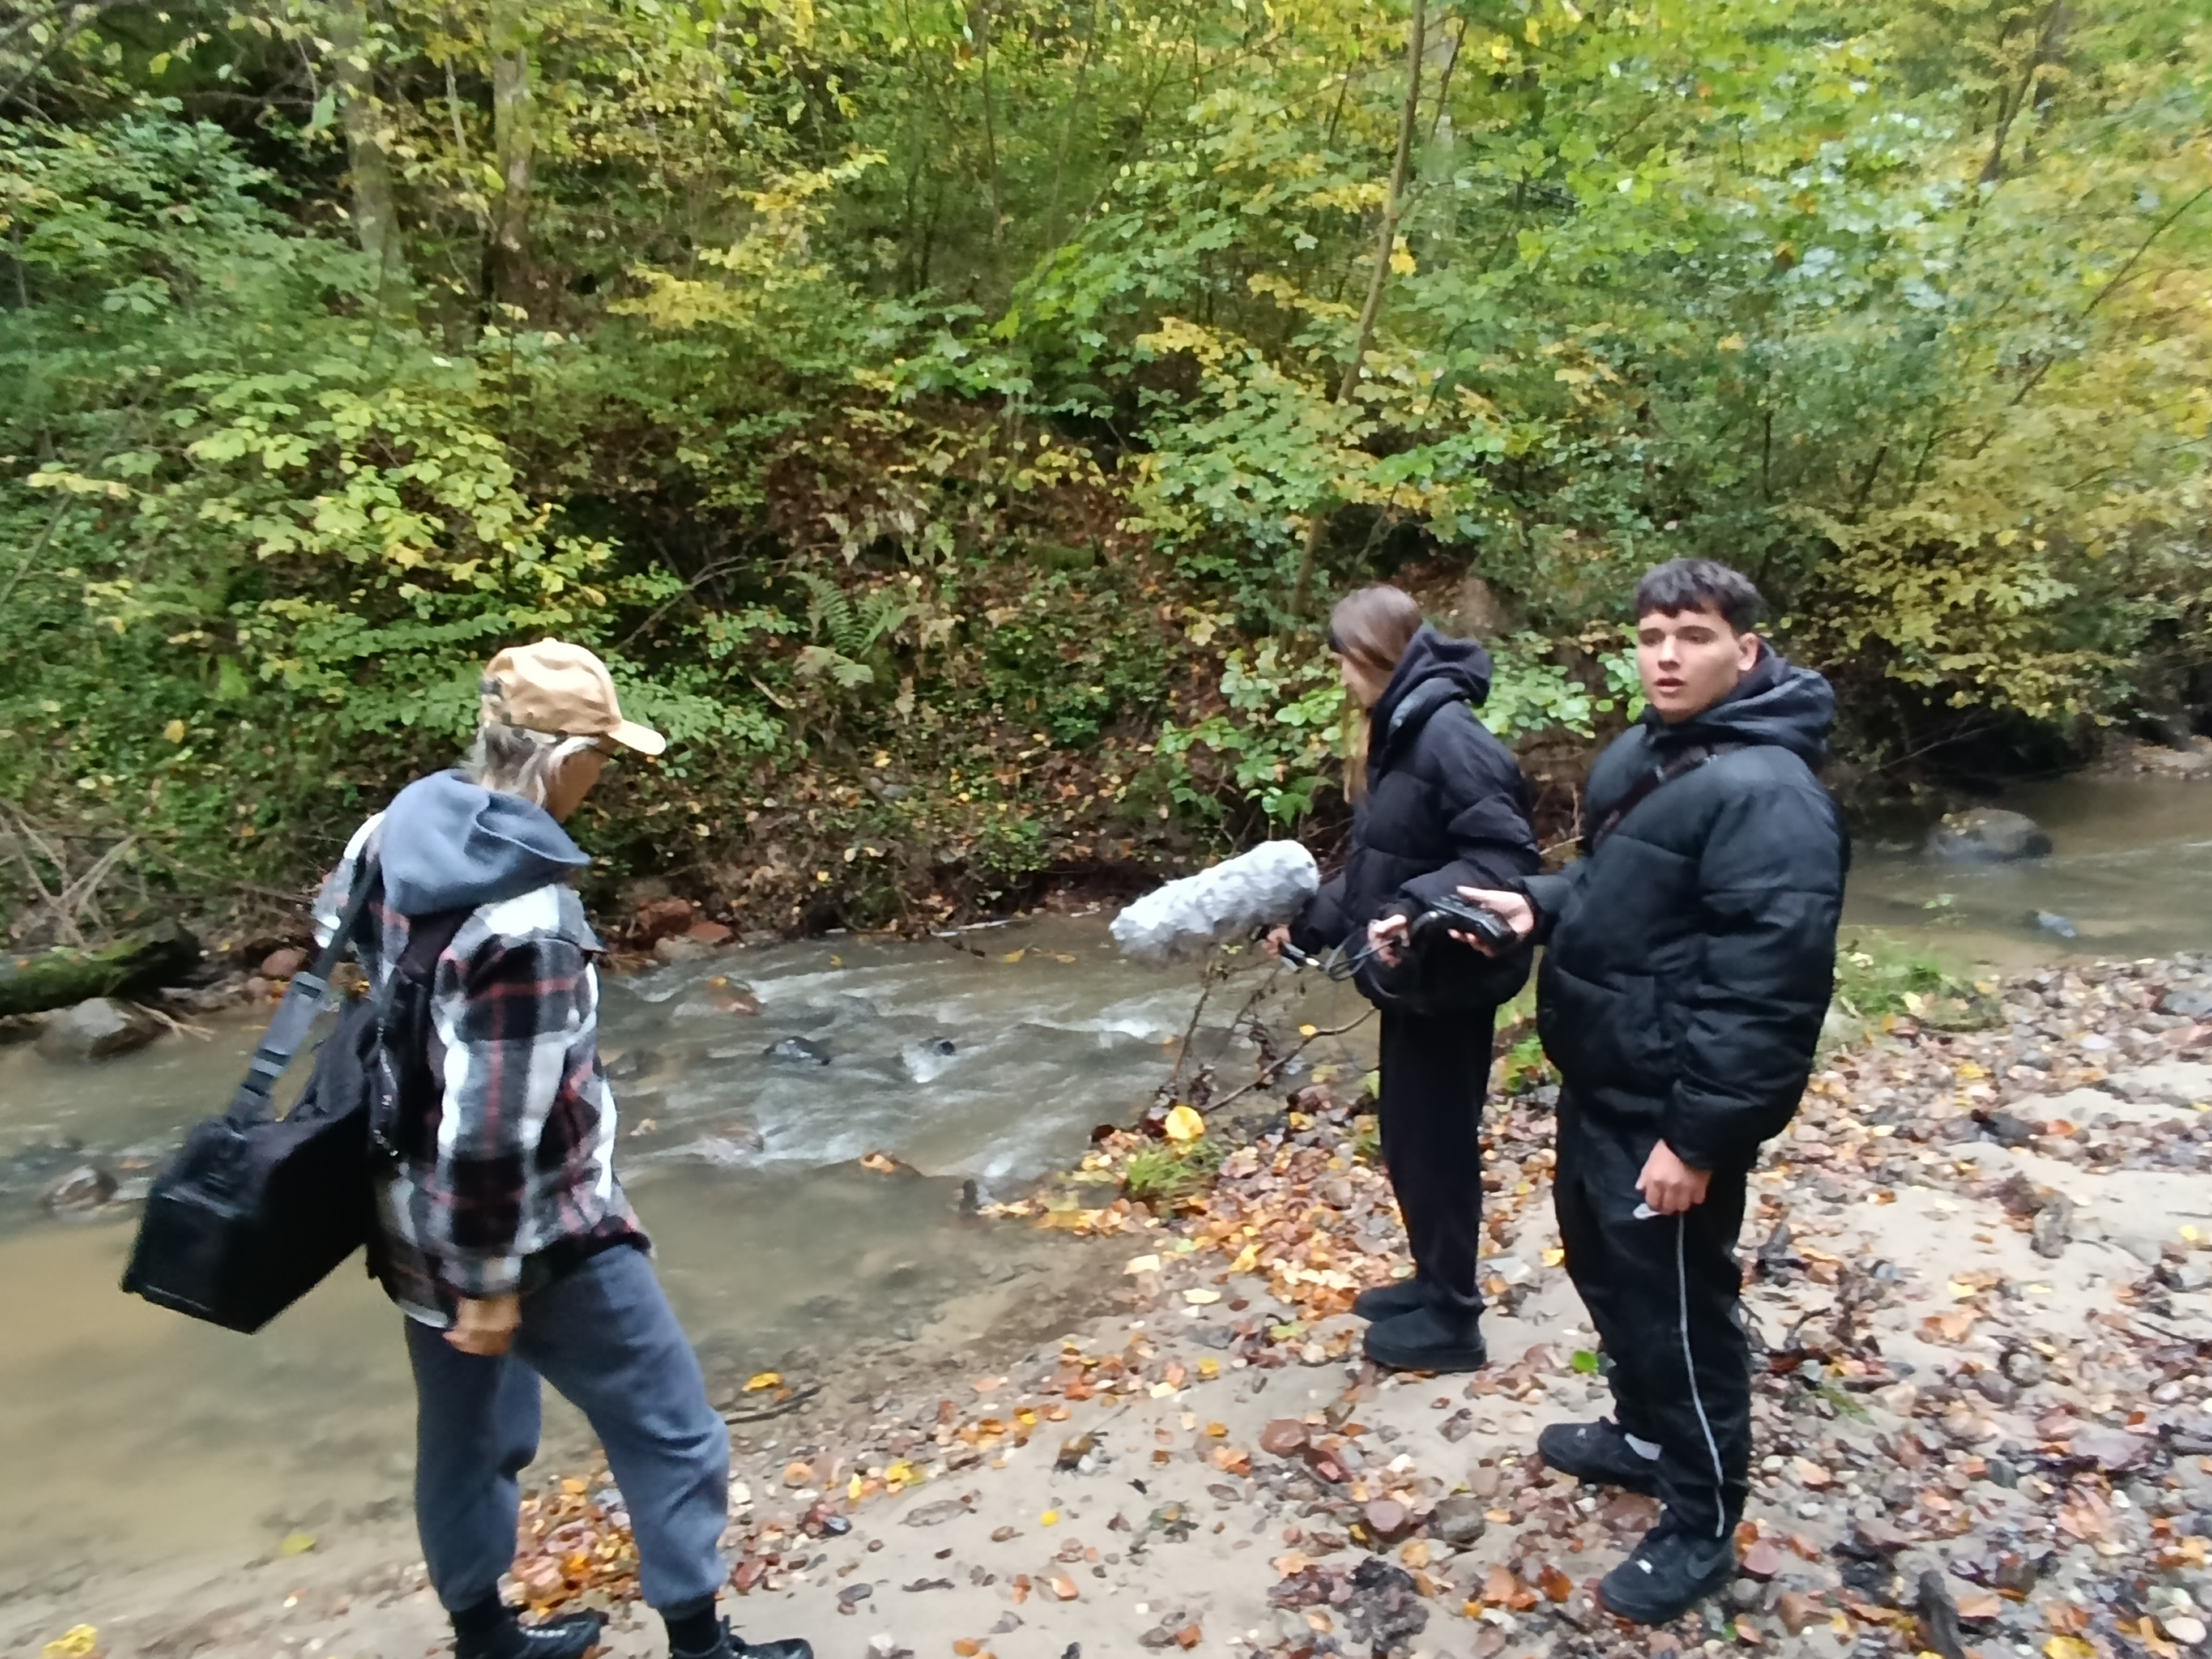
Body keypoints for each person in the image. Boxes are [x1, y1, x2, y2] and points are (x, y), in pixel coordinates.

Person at [313, 640, 811, 1659]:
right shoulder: (529, 919)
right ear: (563, 759)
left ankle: (484, 1634)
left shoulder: (391, 831)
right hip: (538, 1234)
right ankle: (699, 1642)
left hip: (404, 1206)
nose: (604, 776)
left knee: (465, 1436)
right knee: (672, 1427)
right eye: (603, 756)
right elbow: (493, 1131)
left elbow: (332, 936)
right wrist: (491, 1283)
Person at [1454, 559, 1847, 1625]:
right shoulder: (1645, 753)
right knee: (1603, 1271)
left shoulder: (1772, 796)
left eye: (1694, 636)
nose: (1666, 656)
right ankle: (1638, 1434)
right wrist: (1537, 902)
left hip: (1671, 1107)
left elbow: (1769, 990)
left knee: (1680, 1314)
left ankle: (1702, 1521)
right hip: (1603, 1074)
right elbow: (1608, 885)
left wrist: (1699, 1139)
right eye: (1651, 637)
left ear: (1745, 652)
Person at [1264, 584, 1538, 1373]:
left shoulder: (1449, 738)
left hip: (1449, 978)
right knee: (1410, 1141)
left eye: (1343, 661)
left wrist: (1415, 908)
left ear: (1371, 655)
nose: (1340, 677)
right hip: (1413, 977)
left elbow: (1505, 862)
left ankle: (1454, 1320)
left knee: (1436, 1146)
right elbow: (1378, 865)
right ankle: (1431, 1280)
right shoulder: (1403, 730)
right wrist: (1309, 927)